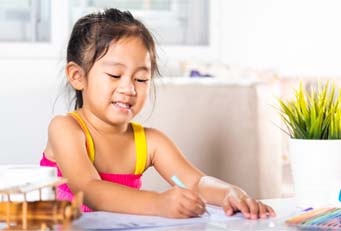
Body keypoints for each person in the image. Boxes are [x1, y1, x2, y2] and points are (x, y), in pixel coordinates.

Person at [40, 8, 276, 219]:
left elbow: (194, 182)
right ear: (77, 76)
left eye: (141, 79)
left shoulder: (150, 142)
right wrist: (158, 202)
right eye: (114, 75)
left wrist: (230, 193)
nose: (129, 89)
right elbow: (89, 190)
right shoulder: (66, 129)